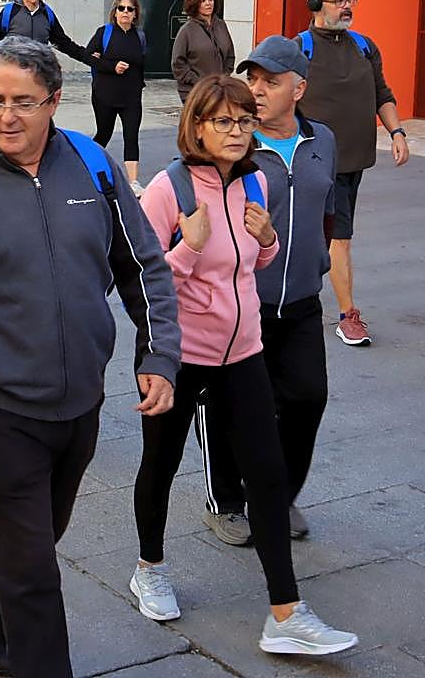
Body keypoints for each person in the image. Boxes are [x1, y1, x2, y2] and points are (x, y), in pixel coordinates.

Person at [0, 36, 181, 677]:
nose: (6, 116)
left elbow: (144, 267)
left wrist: (159, 353)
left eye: (23, 103)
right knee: (35, 569)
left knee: (35, 535)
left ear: (55, 102)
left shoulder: (94, 166)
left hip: (81, 401)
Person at [132, 74, 356, 657]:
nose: (237, 131)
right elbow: (140, 280)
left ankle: (285, 613)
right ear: (197, 125)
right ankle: (149, 567)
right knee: (161, 463)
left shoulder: (255, 181)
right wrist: (186, 246)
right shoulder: (168, 187)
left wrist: (267, 238)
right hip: (179, 355)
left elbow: (253, 260)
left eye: (245, 121)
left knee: (269, 476)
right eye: (224, 121)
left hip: (243, 350)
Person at [195, 37, 336, 548]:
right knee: (227, 406)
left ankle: (277, 494)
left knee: (306, 397)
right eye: (251, 78)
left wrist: (323, 264)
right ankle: (226, 502)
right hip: (239, 303)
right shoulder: (234, 145)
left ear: (298, 89)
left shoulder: (323, 140)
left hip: (300, 302)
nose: (255, 90)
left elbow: (328, 210)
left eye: (269, 82)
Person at [294, 0, 409, 346]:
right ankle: (347, 315)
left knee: (321, 235)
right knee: (339, 237)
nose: (347, 6)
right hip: (315, 162)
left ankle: (292, 293)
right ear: (316, 6)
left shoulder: (364, 46)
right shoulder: (301, 48)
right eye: (338, 0)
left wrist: (397, 132)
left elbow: (382, 93)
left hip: (354, 162)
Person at [88, 0, 147, 195]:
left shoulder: (139, 36)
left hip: (131, 96)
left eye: (130, 9)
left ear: (135, 14)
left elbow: (142, 63)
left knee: (132, 136)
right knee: (104, 133)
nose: (125, 12)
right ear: (115, 12)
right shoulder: (104, 33)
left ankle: (133, 182)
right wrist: (111, 66)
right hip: (105, 94)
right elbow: (88, 57)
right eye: (121, 8)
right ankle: (85, 162)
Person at [171, 0, 235, 103]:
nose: (208, 3)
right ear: (195, 4)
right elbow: (178, 64)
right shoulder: (186, 30)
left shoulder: (221, 25)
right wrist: (198, 81)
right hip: (194, 92)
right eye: (203, 1)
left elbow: (230, 55)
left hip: (218, 90)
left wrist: (224, 77)